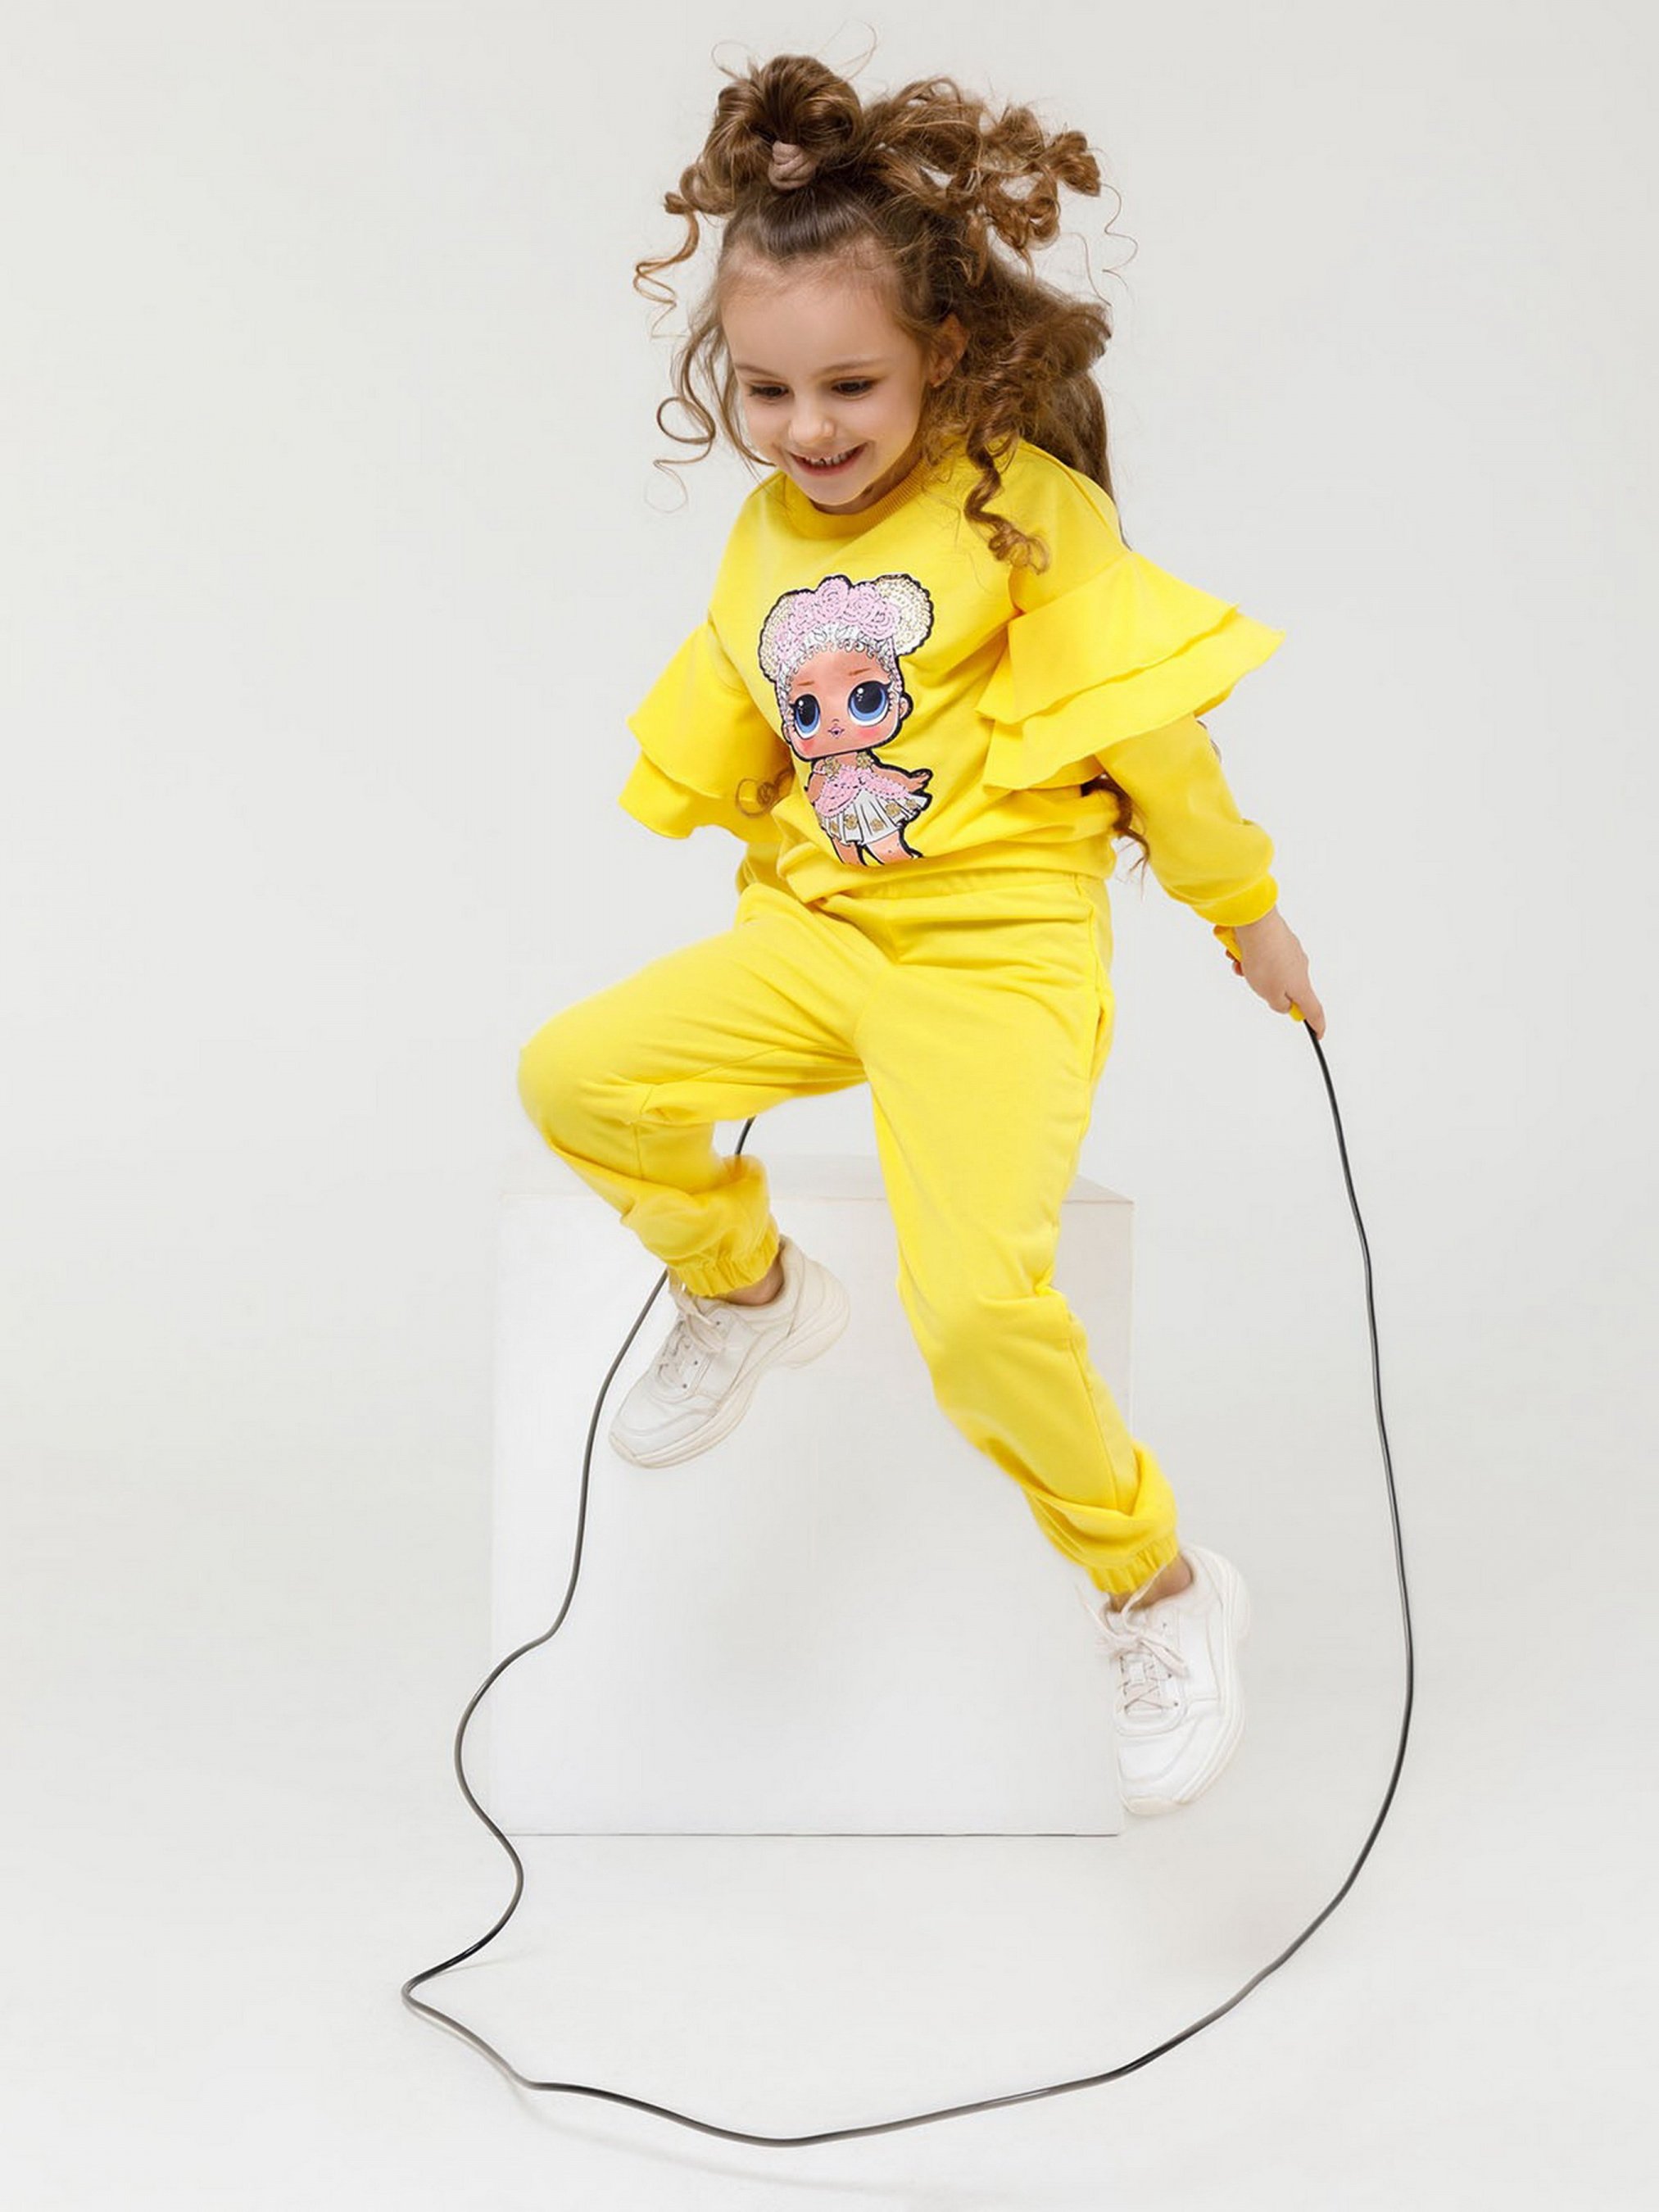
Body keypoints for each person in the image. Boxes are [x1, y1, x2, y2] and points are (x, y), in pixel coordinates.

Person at [516, 52, 1325, 1817]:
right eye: (767, 389)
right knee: (575, 1075)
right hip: (822, 938)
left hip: (994, 959)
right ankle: (744, 1288)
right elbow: (751, 726)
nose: (806, 429)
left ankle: (1155, 1582)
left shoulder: (1021, 507)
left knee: (968, 1308)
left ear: (943, 354)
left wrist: (1242, 910)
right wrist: (759, 877)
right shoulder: (761, 532)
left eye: (850, 385)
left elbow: (1152, 737)